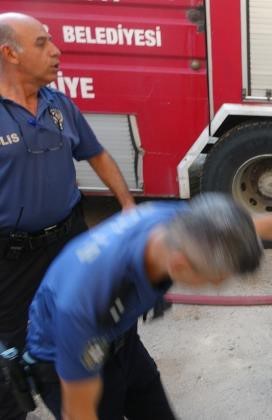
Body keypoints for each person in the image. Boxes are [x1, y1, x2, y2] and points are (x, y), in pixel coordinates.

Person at [11, 193, 272, 420]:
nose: (220, 289)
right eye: (215, 281)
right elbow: (79, 412)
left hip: (122, 340)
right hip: (66, 357)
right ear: (181, 266)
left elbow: (263, 225)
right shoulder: (87, 302)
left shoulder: (184, 223)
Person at [0, 13, 135, 419]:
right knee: (11, 349)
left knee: (87, 321)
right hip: (11, 259)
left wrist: (127, 205)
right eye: (42, 43)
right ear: (10, 53)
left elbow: (95, 153)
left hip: (70, 238)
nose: (57, 51)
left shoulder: (59, 105)